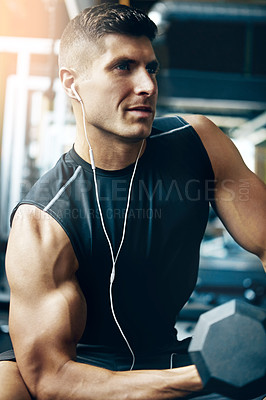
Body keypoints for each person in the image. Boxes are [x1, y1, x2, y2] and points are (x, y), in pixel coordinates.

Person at [0, 3, 265, 400]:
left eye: (151, 68)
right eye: (123, 67)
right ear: (72, 84)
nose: (147, 85)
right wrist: (208, 372)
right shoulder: (43, 222)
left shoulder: (198, 142)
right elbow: (53, 380)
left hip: (165, 354)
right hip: (86, 373)